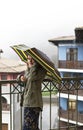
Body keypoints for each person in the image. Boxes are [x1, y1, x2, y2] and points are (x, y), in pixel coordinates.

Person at [19, 55, 46, 130]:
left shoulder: (40, 70)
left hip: (34, 103)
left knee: (29, 127)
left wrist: (33, 66)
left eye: (32, 59)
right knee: (31, 126)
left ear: (37, 60)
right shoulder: (29, 70)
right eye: (28, 59)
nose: (30, 61)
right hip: (27, 101)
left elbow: (32, 77)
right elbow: (25, 80)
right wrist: (20, 78)